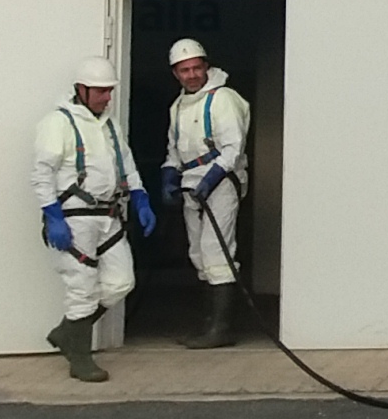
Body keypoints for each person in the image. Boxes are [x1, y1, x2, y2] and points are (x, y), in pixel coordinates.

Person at [32, 55, 153, 382]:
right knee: (81, 287)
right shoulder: (58, 123)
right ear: (81, 90)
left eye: (109, 91)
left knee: (121, 281)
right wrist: (52, 214)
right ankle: (80, 359)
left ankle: (67, 332)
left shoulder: (110, 124)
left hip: (109, 215)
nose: (107, 98)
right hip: (74, 217)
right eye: (100, 91)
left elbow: (126, 164)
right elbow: (43, 173)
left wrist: (140, 197)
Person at [160, 36, 253, 349]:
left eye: (196, 68)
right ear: (175, 73)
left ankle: (221, 329)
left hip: (220, 183)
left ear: (206, 66)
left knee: (217, 251)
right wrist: (169, 178)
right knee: (198, 254)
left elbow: (232, 148)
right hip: (192, 185)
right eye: (184, 70)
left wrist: (210, 179)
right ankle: (207, 325)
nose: (191, 75)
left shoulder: (223, 99)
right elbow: (174, 151)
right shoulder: (178, 106)